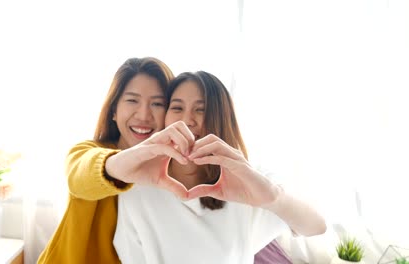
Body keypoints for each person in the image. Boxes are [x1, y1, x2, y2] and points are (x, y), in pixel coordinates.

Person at [108, 71, 326, 263]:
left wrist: (274, 198)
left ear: (220, 119)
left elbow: (316, 226)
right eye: (177, 108)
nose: (187, 120)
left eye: (200, 110)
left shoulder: (245, 179)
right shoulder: (140, 185)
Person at [37, 56, 175, 263]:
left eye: (157, 103)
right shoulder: (89, 151)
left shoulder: (175, 171)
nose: (144, 115)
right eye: (132, 100)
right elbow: (80, 176)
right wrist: (117, 167)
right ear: (113, 110)